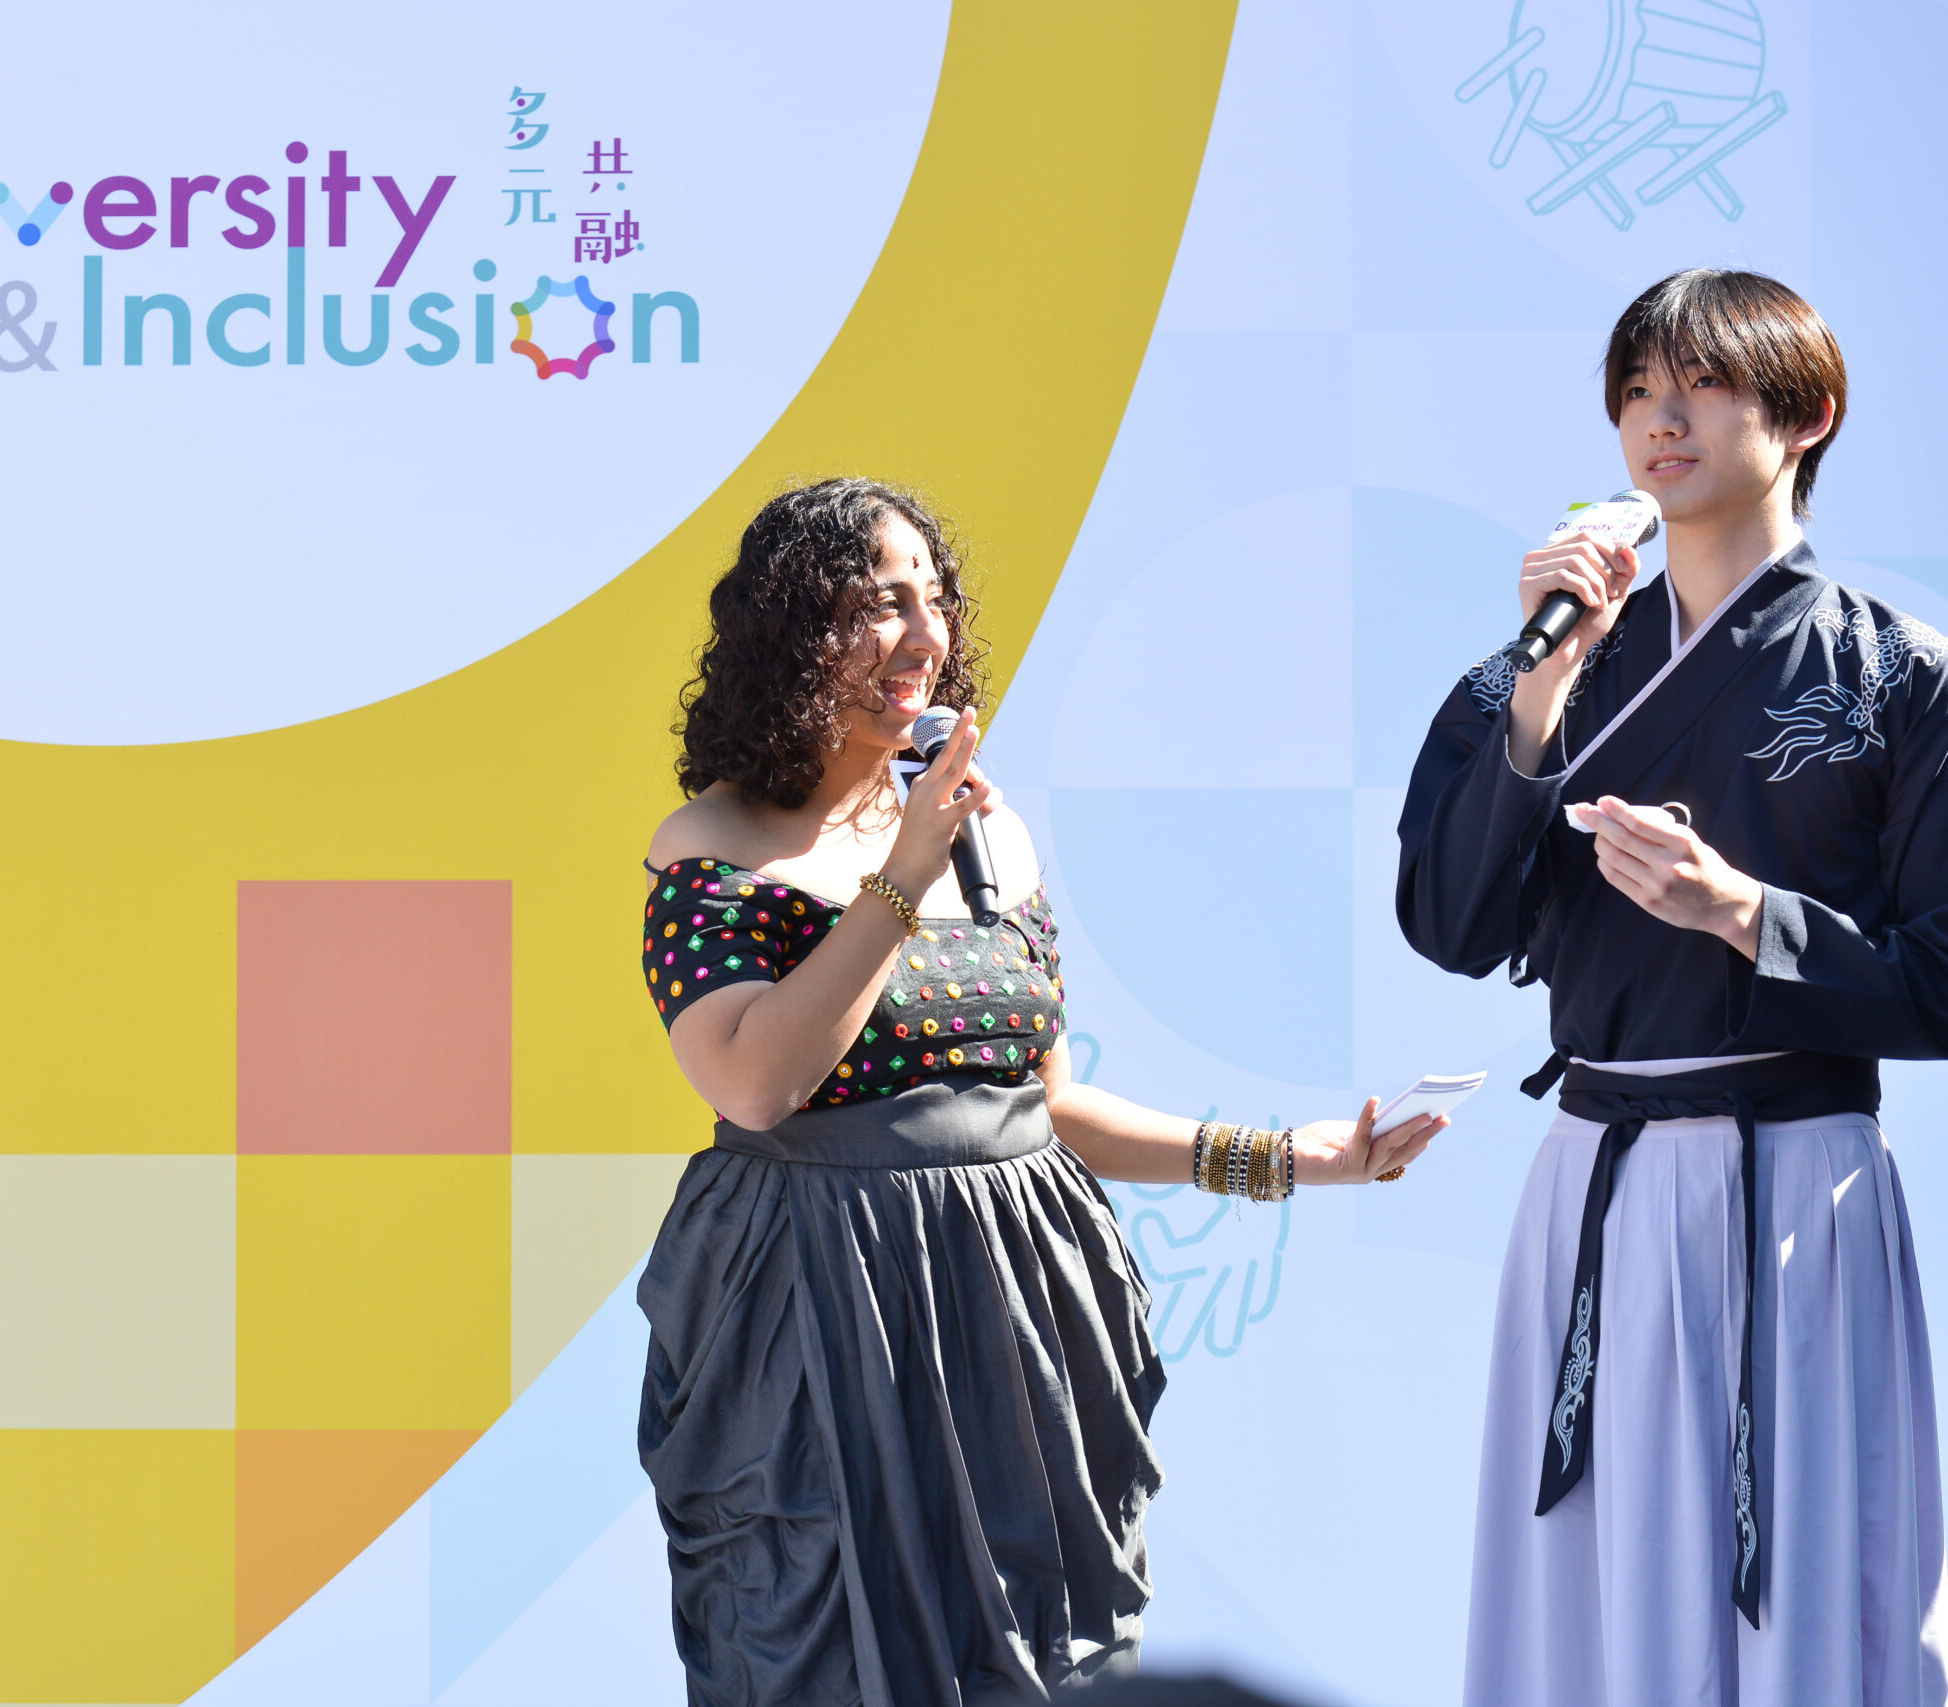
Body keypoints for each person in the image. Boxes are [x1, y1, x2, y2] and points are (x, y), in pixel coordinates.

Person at [637, 477, 1442, 1704]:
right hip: (815, 1314)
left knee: (1049, 1666)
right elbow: (756, 1081)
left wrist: (1290, 1160)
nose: (918, 635)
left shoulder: (990, 840)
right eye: (873, 605)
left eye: (930, 600)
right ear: (793, 637)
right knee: (820, 1652)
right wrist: (898, 878)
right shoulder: (715, 844)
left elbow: (1048, 1109)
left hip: (1015, 1320)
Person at [1397, 269, 1948, 1705]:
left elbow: (1945, 984)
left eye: (1698, 384)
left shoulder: (1903, 677)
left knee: (1808, 1594)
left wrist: (1744, 914)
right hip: (1598, 1177)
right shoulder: (1534, 668)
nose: (1661, 418)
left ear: (1806, 413)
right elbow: (1449, 922)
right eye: (1637, 390)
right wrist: (1536, 697)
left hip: (1800, 1185)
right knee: (1589, 1593)